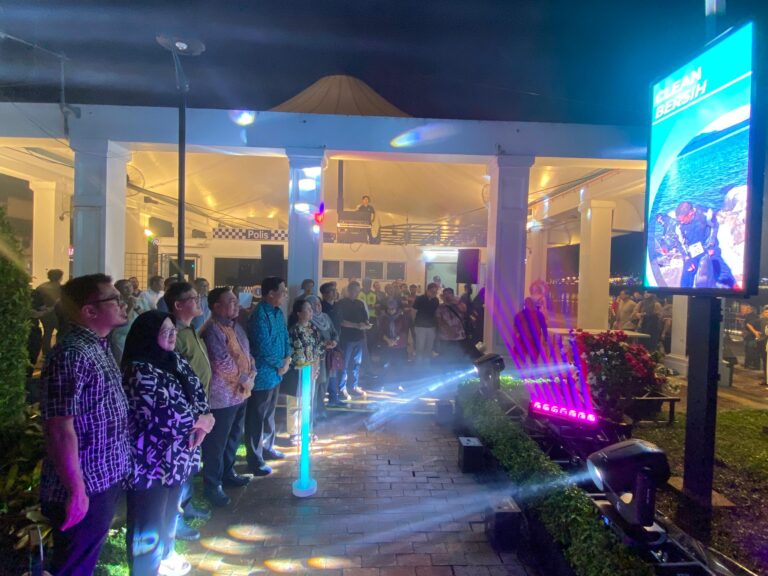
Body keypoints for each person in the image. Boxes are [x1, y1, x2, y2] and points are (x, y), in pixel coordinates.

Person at [40, 274, 132, 576]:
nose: (123, 304)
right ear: (89, 311)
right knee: (73, 565)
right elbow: (59, 429)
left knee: (84, 560)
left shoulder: (98, 346)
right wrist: (76, 490)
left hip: (103, 477)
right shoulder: (72, 354)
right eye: (114, 299)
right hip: (85, 483)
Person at [122, 311, 213, 576]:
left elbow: (197, 391)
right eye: (166, 332)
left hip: (179, 456)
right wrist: (199, 421)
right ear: (149, 335)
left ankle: (166, 556)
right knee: (148, 521)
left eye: (174, 331)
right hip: (151, 462)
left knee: (171, 510)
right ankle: (145, 570)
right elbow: (160, 414)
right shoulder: (138, 370)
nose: (173, 336)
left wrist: (205, 418)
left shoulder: (175, 360)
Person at [164, 281, 213, 539]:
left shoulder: (191, 329)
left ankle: (187, 504)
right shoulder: (174, 334)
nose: (199, 301)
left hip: (199, 408)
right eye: (194, 298)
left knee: (191, 462)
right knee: (180, 465)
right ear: (178, 305)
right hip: (186, 412)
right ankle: (175, 519)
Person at [201, 287, 256, 506]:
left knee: (233, 437)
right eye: (231, 302)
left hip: (240, 393)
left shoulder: (235, 326)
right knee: (217, 443)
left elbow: (246, 353)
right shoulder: (212, 330)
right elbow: (221, 361)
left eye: (236, 301)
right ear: (216, 307)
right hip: (222, 396)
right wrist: (243, 378)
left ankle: (228, 473)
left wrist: (251, 371)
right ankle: (212, 485)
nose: (236, 305)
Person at [245, 277, 291, 476]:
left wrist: (287, 359)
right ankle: (255, 459)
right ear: (271, 293)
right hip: (263, 374)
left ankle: (267, 448)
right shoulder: (259, 315)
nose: (285, 293)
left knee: (269, 414)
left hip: (277, 373)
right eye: (282, 290)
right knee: (256, 417)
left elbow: (285, 337)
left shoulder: (278, 312)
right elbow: (263, 346)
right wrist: (281, 364)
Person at [286, 299, 325, 444]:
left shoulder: (313, 328)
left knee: (307, 403)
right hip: (297, 372)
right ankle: (294, 433)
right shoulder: (294, 330)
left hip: (311, 371)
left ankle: (306, 430)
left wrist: (316, 366)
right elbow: (293, 352)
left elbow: (319, 348)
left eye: (311, 309)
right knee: (295, 403)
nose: (311, 312)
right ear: (299, 313)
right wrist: (306, 366)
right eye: (307, 309)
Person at [335, 280, 372, 399]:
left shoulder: (360, 303)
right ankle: (342, 388)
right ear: (349, 290)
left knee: (356, 364)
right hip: (346, 338)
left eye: (357, 291)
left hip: (359, 338)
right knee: (344, 364)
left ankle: (353, 386)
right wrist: (356, 325)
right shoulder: (341, 303)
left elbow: (365, 318)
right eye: (353, 290)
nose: (355, 293)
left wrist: (366, 324)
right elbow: (341, 322)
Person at [304, 295, 338, 417]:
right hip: (316, 357)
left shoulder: (325, 317)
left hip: (328, 356)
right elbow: (308, 340)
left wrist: (334, 341)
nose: (318, 306)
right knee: (316, 384)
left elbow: (334, 332)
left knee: (325, 383)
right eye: (314, 304)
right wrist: (324, 344)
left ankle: (321, 409)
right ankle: (313, 413)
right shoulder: (308, 320)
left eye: (319, 303)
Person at [110, 279, 141, 365]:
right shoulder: (116, 303)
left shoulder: (138, 300)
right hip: (121, 337)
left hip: (137, 336)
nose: (129, 289)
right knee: (122, 363)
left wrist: (136, 307)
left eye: (130, 286)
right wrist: (130, 306)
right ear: (118, 290)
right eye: (125, 287)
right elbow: (124, 320)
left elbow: (144, 315)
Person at [35, 268, 64, 357]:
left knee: (47, 333)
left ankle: (45, 354)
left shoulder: (40, 287)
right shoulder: (61, 288)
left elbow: (36, 301)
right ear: (60, 277)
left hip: (44, 314)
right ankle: (59, 353)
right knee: (62, 332)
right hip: (57, 314)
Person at [378, 299, 409, 379]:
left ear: (396, 308)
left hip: (399, 344)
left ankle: (398, 381)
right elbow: (380, 331)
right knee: (385, 364)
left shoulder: (402, 317)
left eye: (392, 309)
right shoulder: (383, 318)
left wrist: (395, 340)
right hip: (386, 344)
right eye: (389, 309)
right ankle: (384, 380)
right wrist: (388, 340)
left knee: (399, 365)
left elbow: (404, 330)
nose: (390, 311)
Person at [435, 287, 467, 365]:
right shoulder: (440, 307)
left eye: (449, 294)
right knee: (446, 356)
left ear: (453, 295)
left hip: (459, 335)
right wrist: (448, 330)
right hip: (446, 336)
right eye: (445, 294)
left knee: (459, 355)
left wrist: (456, 302)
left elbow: (464, 310)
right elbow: (439, 321)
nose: (447, 296)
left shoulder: (458, 305)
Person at [513, 297, 548, 364]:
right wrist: (516, 336)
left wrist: (545, 339)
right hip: (524, 340)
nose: (528, 305)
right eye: (527, 303)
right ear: (525, 304)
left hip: (534, 340)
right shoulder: (519, 315)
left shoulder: (539, 315)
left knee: (533, 360)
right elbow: (515, 327)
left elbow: (544, 327)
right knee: (523, 358)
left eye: (530, 303)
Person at [413, 283, 440, 368]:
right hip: (420, 326)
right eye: (432, 291)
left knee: (429, 346)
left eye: (435, 292)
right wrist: (415, 323)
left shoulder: (436, 300)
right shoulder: (420, 299)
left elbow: (436, 313)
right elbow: (413, 311)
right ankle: (418, 364)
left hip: (431, 326)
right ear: (427, 290)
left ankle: (427, 364)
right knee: (420, 346)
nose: (434, 293)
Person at [742, 304, 762, 370]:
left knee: (750, 350)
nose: (742, 310)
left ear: (749, 309)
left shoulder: (750, 316)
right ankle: (755, 365)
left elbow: (749, 325)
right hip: (752, 336)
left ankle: (749, 364)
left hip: (751, 336)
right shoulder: (754, 316)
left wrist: (754, 332)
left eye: (743, 309)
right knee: (754, 351)